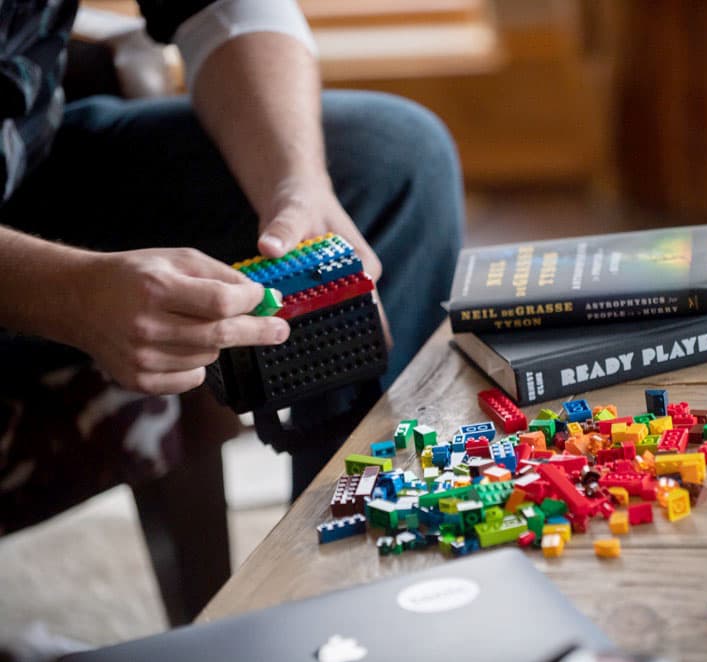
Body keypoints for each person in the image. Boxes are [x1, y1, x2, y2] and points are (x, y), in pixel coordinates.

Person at [0, 0, 464, 526]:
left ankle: (364, 533)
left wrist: (296, 182)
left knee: (397, 159)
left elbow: (223, 7)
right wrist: (70, 294)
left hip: (28, 161)